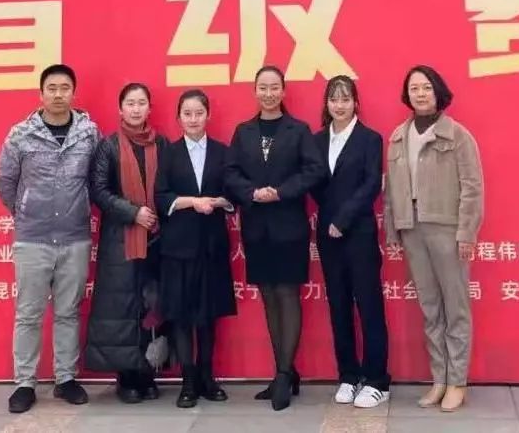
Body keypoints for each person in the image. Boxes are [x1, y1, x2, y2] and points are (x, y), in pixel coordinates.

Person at [0, 64, 100, 414]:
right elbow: (5, 182)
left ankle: (65, 378)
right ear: (41, 94)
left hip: (74, 237)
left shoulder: (88, 133)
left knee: (68, 311)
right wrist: (26, 211)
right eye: (52, 88)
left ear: (74, 92)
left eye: (65, 88)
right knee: (28, 314)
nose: (58, 94)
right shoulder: (21, 134)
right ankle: (24, 383)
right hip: (33, 239)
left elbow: (96, 179)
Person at [224, 65, 325, 411]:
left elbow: (314, 171)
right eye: (262, 88)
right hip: (256, 226)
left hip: (289, 225)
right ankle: (285, 371)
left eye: (274, 87)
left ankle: (282, 374)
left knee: (287, 293)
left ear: (283, 91)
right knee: (268, 295)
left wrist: (280, 192)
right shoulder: (244, 131)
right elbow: (230, 173)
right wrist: (252, 193)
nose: (268, 94)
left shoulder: (299, 130)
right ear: (255, 91)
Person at [384, 65, 483, 413]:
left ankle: (458, 381)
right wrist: (393, 229)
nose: (421, 94)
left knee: (455, 308)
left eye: (426, 87)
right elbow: (391, 189)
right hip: (412, 229)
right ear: (407, 95)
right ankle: (439, 379)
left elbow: (472, 188)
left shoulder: (457, 136)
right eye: (414, 89)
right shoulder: (399, 136)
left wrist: (466, 233)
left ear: (438, 92)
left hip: (447, 229)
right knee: (430, 308)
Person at [85, 83, 169, 403]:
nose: (136, 109)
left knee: (151, 306)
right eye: (130, 103)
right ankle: (126, 378)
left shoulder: (162, 144)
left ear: (150, 108)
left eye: (141, 103)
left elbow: (171, 185)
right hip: (120, 241)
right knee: (122, 308)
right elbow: (99, 191)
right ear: (120, 109)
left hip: (157, 239)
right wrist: (134, 213)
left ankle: (147, 373)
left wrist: (156, 216)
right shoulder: (107, 147)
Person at [311, 75, 391, 408]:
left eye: (345, 99)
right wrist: (330, 219)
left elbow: (371, 184)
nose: (339, 105)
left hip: (358, 232)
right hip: (327, 235)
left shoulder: (370, 139)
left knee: (368, 305)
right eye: (334, 99)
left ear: (356, 102)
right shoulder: (316, 140)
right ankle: (348, 374)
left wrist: (342, 220)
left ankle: (377, 380)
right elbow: (313, 182)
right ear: (327, 104)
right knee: (338, 305)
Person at [154, 89, 237, 408]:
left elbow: (234, 194)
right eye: (187, 114)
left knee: (208, 315)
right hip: (178, 247)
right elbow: (161, 196)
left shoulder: (222, 152)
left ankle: (207, 377)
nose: (193, 119)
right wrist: (192, 202)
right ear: (179, 118)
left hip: (212, 245)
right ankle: (187, 381)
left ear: (208, 115)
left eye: (198, 113)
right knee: (181, 315)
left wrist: (219, 202)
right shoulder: (169, 153)